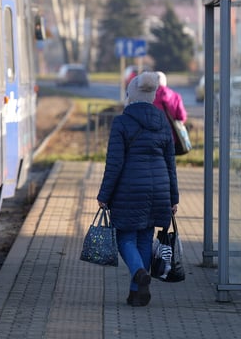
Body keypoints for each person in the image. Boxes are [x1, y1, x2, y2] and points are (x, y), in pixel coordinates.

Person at [96, 71, 179, 307]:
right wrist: (174, 197)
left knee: (125, 238)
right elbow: (170, 163)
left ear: (130, 95)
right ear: (153, 96)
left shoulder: (122, 122)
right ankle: (138, 294)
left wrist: (104, 195)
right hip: (159, 190)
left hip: (129, 190)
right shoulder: (163, 121)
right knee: (144, 238)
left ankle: (139, 272)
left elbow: (115, 163)